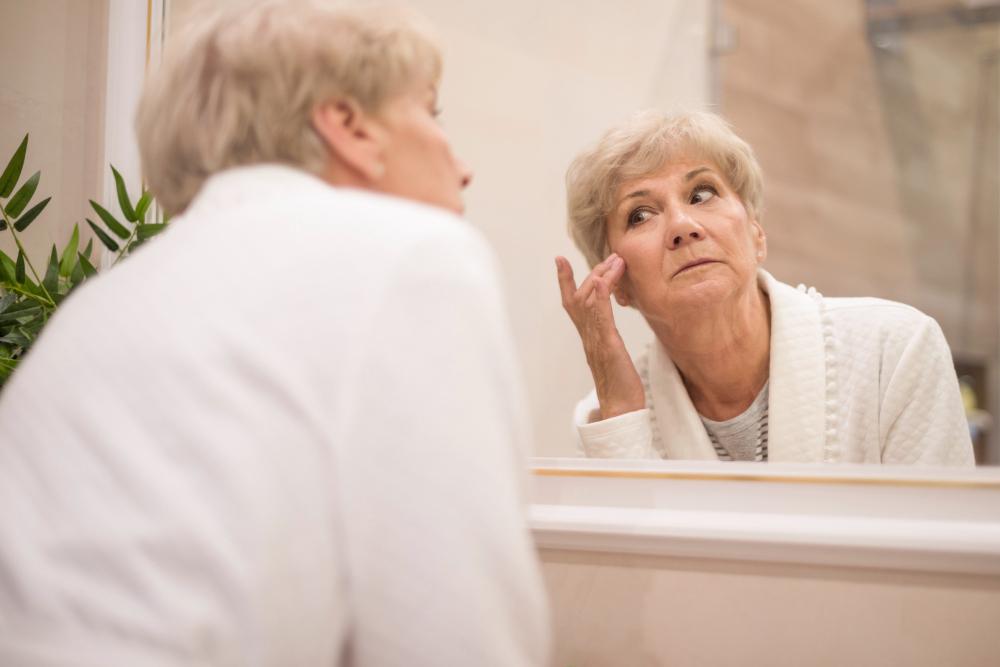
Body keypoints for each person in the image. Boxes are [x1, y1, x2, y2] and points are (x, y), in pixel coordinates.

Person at [0, 1, 548, 664]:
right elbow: (452, 635)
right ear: (350, 126)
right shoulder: (414, 256)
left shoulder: (98, 307)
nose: (461, 165)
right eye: (430, 113)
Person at [556, 110, 973, 466]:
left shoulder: (895, 351)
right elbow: (630, 562)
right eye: (640, 214)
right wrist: (620, 410)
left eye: (702, 193)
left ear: (756, 232)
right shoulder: (608, 417)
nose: (683, 226)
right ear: (616, 281)